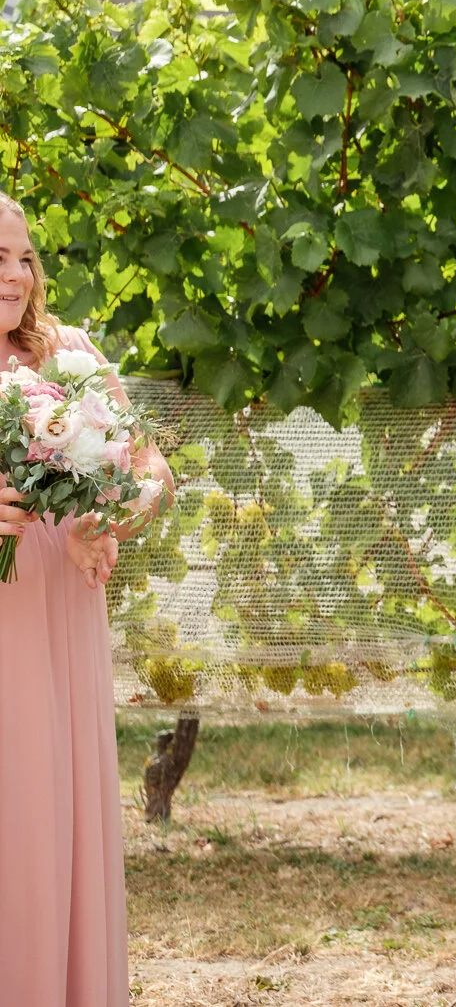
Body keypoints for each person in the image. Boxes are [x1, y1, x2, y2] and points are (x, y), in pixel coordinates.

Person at [0, 194, 173, 1006]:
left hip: (62, 612)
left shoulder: (68, 352)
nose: (13, 275)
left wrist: (104, 520)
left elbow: (150, 470)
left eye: (24, 257)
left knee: (54, 820)